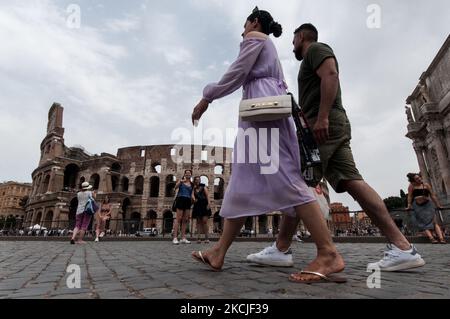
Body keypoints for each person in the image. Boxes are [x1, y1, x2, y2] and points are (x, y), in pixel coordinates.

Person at [247, 23, 425, 273]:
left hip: (324, 127)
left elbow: (330, 75)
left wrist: (322, 118)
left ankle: (283, 248)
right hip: (332, 125)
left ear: (300, 37)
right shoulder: (311, 55)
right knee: (351, 181)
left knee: (297, 183)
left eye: (293, 40)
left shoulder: (315, 49)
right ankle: (403, 247)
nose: (292, 45)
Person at [191, 8, 346, 283]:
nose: (242, 31)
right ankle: (219, 251)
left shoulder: (256, 38)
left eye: (245, 24)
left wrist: (207, 97)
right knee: (241, 180)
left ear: (254, 22)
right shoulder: (267, 46)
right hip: (262, 110)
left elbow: (236, 73)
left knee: (286, 176)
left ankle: (328, 253)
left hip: (263, 111)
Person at [407, 173, 446, 244]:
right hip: (417, 206)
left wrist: (438, 205)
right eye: (416, 179)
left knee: (434, 222)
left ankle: (441, 238)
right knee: (424, 223)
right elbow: (410, 196)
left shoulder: (426, 185)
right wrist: (409, 205)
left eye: (419, 177)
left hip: (428, 205)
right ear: (413, 181)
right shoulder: (411, 186)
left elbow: (432, 195)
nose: (419, 179)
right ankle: (431, 238)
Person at [172, 170, 194, 245]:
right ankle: (175, 237)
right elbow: (175, 187)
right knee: (178, 219)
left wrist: (193, 198)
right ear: (184, 174)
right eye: (186, 173)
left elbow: (192, 193)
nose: (188, 174)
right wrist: (181, 181)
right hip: (180, 199)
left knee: (185, 220)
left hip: (188, 200)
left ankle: (183, 238)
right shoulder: (181, 181)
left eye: (189, 173)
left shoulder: (192, 184)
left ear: (191, 175)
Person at [192, 177, 212, 243]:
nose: (197, 181)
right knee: (198, 222)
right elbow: (192, 195)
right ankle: (199, 238)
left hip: (204, 204)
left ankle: (206, 237)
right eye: (196, 180)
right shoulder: (193, 188)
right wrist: (194, 199)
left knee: (204, 221)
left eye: (198, 180)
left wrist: (209, 204)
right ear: (194, 181)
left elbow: (207, 195)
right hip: (197, 205)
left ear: (200, 181)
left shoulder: (203, 186)